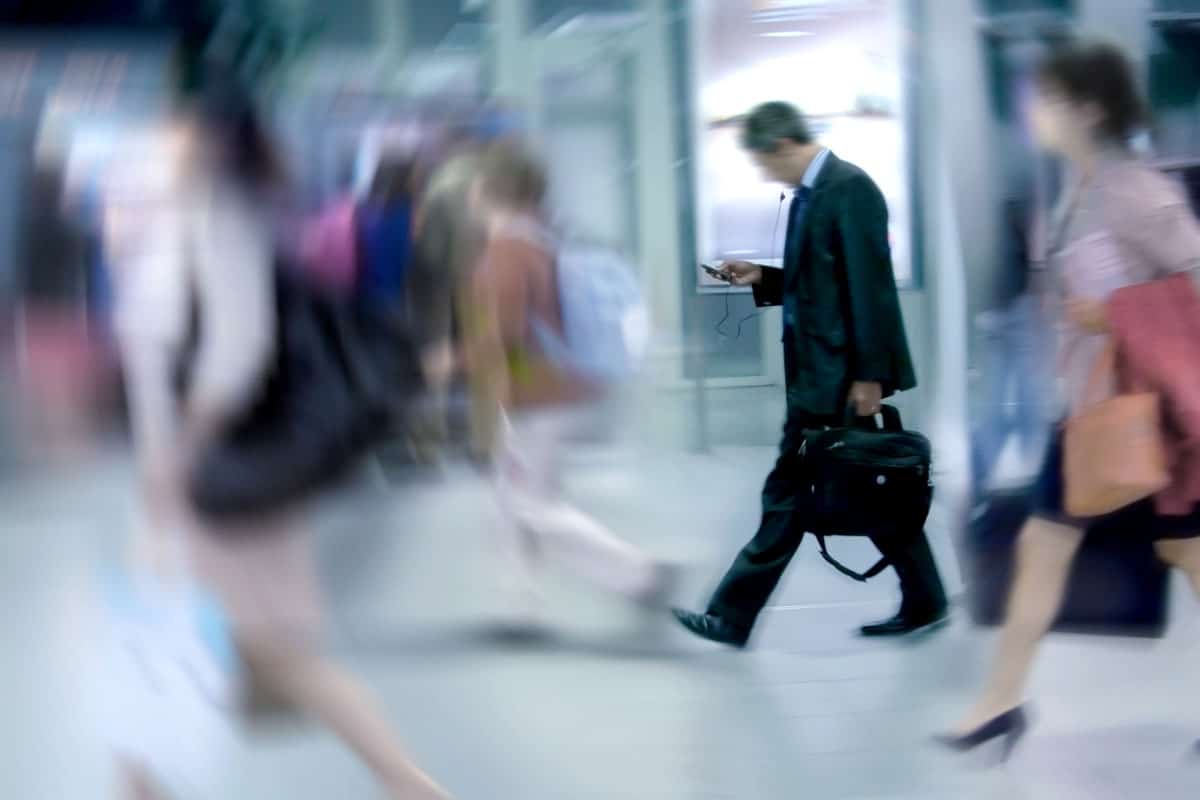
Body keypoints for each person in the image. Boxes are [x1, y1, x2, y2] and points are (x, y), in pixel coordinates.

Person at [109, 72, 449, 799]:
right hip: (208, 479)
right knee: (212, 659)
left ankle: (410, 786)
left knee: (240, 658)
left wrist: (180, 455)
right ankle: (407, 786)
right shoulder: (203, 220)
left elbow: (236, 350)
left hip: (218, 483)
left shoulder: (218, 222)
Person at [941, 41, 1200, 757]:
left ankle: (998, 704)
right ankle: (998, 703)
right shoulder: (1076, 191)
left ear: (1088, 109)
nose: (1033, 112)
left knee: (1185, 551)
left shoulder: (1136, 190)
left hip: (1152, 419)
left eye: (1047, 99)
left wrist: (1119, 313)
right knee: (1042, 546)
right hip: (1092, 417)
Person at [672, 101, 948, 646]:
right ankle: (926, 599)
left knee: (792, 492)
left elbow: (869, 288)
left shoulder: (850, 188)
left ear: (782, 146)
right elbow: (820, 280)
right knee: (864, 491)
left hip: (841, 377)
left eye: (763, 163)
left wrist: (869, 377)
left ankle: (731, 618)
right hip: (819, 372)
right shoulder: (810, 197)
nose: (764, 174)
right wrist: (761, 277)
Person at [450, 141, 676, 629]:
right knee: (512, 504)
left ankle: (641, 575)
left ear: (489, 190)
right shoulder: (544, 239)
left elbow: (502, 335)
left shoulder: (506, 250)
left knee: (531, 505)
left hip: (538, 397)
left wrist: (449, 361)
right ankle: (518, 605)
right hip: (559, 389)